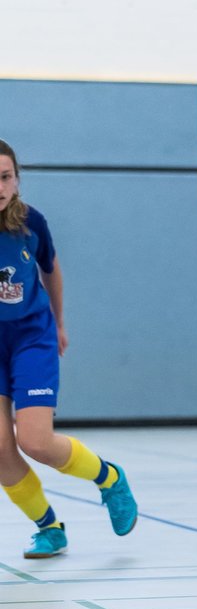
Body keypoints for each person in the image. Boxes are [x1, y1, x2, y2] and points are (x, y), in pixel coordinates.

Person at [0, 138, 137, 559]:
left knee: (36, 442)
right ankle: (49, 527)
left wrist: (60, 323)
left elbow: (50, 270)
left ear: (17, 180)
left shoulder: (31, 223)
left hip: (30, 338)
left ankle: (109, 478)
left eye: (4, 177)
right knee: (1, 450)